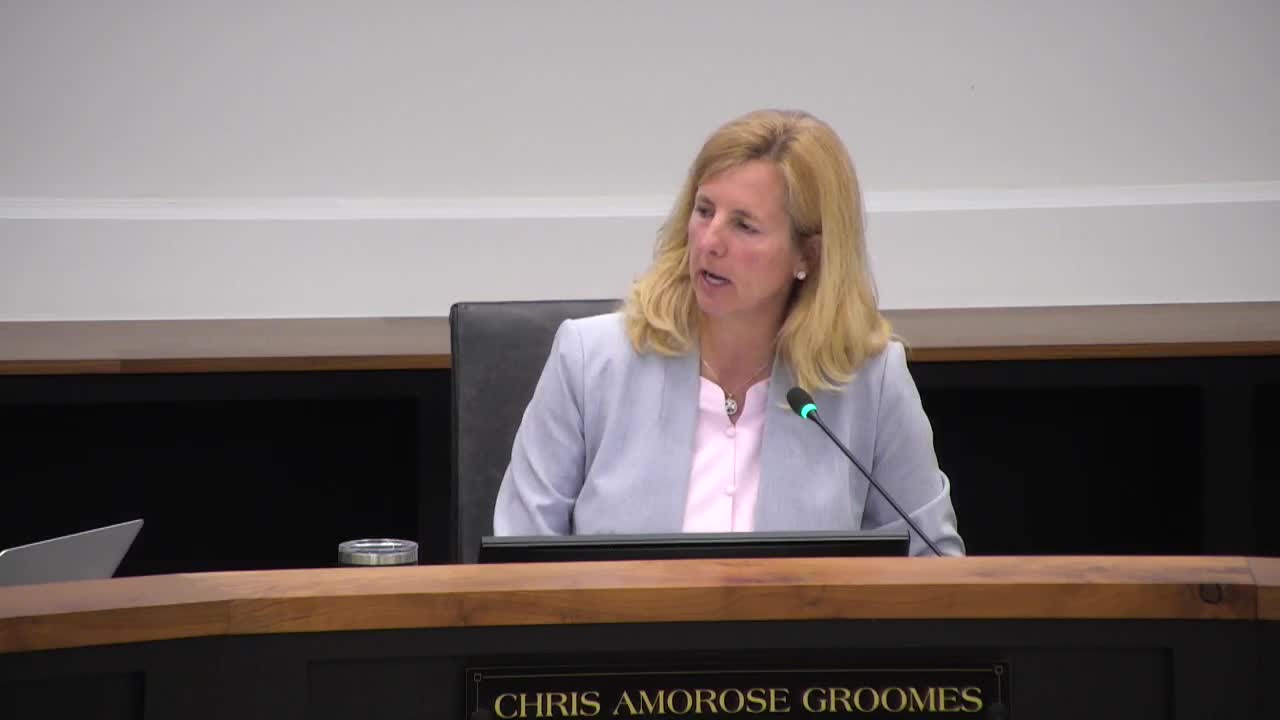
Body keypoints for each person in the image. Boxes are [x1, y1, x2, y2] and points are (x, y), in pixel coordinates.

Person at [493, 109, 963, 556]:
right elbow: (518, 565)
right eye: (704, 211)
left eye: (744, 225)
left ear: (808, 255)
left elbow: (934, 565)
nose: (710, 241)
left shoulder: (869, 383)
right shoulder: (591, 361)